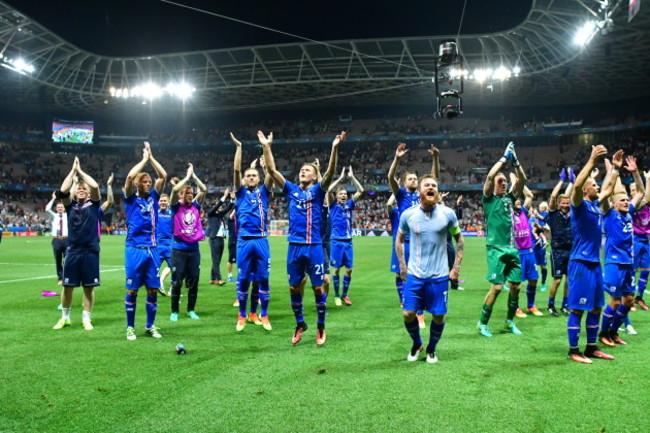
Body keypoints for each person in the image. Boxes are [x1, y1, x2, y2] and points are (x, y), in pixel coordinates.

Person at [261, 129, 344, 345]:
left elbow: (331, 172)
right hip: (294, 247)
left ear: (315, 176)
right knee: (293, 287)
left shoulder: (318, 190)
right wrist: (266, 147)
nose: (303, 172)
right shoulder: (290, 190)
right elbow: (271, 169)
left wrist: (334, 148)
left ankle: (321, 326)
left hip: (314, 246)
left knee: (318, 287)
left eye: (307, 170)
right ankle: (300, 323)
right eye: (301, 170)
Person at [396, 174, 464, 363]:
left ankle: (432, 348)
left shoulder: (447, 214)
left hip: (439, 276)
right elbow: (399, 239)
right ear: (419, 191)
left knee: (439, 316)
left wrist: (456, 267)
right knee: (408, 313)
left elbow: (459, 239)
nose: (431, 187)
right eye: (426, 185)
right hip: (415, 275)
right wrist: (402, 265)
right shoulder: (408, 214)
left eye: (434, 185)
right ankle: (417, 343)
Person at [565, 145, 620, 363]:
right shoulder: (578, 205)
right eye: (594, 185)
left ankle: (591, 347)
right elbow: (578, 184)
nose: (598, 187)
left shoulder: (595, 206)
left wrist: (615, 170)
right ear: (586, 190)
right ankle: (573, 350)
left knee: (596, 306)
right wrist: (591, 160)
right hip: (580, 263)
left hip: (595, 264)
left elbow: (608, 189)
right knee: (578, 309)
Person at [477, 142, 527, 338]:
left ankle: (509, 321)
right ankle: (482, 323)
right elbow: (490, 176)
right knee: (497, 287)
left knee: (515, 286)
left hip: (511, 249)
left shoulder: (509, 198)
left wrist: (516, 162)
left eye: (505, 181)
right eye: (501, 181)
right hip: (495, 249)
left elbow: (522, 178)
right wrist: (504, 158)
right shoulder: (489, 200)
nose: (503, 183)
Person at [388, 142, 440, 328]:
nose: (413, 181)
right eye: (409, 179)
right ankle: (407, 302)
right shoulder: (401, 195)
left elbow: (433, 178)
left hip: (420, 242)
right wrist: (397, 158)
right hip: (404, 243)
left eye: (414, 179)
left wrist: (435, 158)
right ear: (404, 183)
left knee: (420, 276)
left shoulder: (421, 195)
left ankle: (419, 312)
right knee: (401, 274)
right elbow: (390, 178)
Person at [599, 158, 649, 346]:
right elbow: (604, 195)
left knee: (628, 300)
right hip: (614, 263)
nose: (626, 201)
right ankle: (603, 333)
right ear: (613, 203)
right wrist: (614, 172)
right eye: (622, 199)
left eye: (627, 199)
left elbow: (642, 193)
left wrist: (635, 173)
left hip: (628, 263)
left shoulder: (628, 213)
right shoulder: (608, 213)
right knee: (615, 300)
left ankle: (613, 332)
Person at [123, 141, 167, 341]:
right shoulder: (131, 199)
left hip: (152, 250)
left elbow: (163, 176)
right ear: (137, 185)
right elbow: (130, 176)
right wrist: (143, 160)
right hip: (134, 249)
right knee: (132, 289)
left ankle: (150, 325)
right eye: (145, 182)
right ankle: (130, 327)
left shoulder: (154, 198)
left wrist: (152, 158)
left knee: (152, 289)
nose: (148, 184)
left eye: (150, 182)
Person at [52, 157, 102, 331]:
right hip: (73, 251)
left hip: (90, 252)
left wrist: (81, 172)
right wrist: (73, 171)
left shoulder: (94, 205)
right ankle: (65, 318)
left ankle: (86, 319)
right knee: (67, 287)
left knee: (88, 288)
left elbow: (95, 186)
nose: (81, 190)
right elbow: (63, 189)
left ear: (87, 193)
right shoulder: (69, 205)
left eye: (83, 189)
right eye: (79, 188)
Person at [231, 132, 273, 332]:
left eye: (254, 175)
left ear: (258, 177)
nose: (250, 177)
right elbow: (237, 169)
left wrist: (267, 147)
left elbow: (272, 174)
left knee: (262, 278)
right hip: (244, 241)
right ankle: (242, 316)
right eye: (248, 175)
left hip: (261, 240)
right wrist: (239, 147)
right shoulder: (239, 192)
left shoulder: (264, 192)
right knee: (244, 279)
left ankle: (261, 315)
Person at [169, 164, 207, 321]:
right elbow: (173, 191)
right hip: (178, 250)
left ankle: (191, 310)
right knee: (177, 281)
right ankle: (174, 311)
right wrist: (185, 178)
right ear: (181, 195)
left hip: (193, 250)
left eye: (192, 193)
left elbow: (203, 190)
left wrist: (193, 176)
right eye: (187, 193)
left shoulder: (196, 207)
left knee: (194, 281)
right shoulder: (175, 207)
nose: (191, 195)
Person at [328, 166, 364, 306]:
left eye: (345, 194)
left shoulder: (349, 205)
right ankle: (336, 295)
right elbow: (329, 189)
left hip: (348, 242)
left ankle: (345, 295)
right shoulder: (332, 206)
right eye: (341, 194)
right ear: (336, 196)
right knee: (336, 269)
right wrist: (340, 178)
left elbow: (361, 191)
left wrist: (352, 177)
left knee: (349, 269)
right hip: (336, 241)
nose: (344, 195)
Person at [510, 178, 543, 318]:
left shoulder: (523, 212)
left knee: (534, 279)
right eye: (515, 199)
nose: (518, 200)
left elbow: (529, 196)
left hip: (529, 251)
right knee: (516, 283)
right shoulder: (508, 213)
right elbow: (509, 196)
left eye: (519, 199)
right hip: (517, 253)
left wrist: (520, 182)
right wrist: (514, 183)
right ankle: (516, 307)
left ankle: (530, 305)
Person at [546, 168, 575, 317]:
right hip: (557, 252)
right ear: (558, 204)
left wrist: (572, 182)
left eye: (567, 203)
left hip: (571, 250)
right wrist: (562, 181)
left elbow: (570, 196)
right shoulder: (553, 214)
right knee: (557, 280)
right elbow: (552, 197)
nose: (565, 205)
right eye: (563, 203)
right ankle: (551, 305)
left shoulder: (571, 214)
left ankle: (565, 305)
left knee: (569, 280)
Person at [205, 189, 234, 286]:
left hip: (221, 238)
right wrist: (224, 196)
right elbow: (217, 206)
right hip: (214, 239)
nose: (221, 208)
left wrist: (232, 200)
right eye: (218, 206)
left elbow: (228, 208)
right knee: (216, 260)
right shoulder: (210, 213)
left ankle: (212, 279)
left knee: (217, 259)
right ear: (214, 207)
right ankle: (219, 279)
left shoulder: (220, 215)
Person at [631, 174, 650, 312]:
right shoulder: (633, 206)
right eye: (632, 190)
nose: (635, 191)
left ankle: (639, 298)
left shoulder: (647, 205)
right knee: (632, 271)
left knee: (645, 272)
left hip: (646, 241)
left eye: (636, 189)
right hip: (635, 241)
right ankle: (629, 299)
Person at [46, 191, 68, 285]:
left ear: (64, 208)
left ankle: (68, 276)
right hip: (56, 240)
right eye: (58, 207)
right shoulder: (53, 216)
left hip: (67, 239)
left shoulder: (68, 215)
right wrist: (53, 199)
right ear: (56, 208)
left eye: (61, 207)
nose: (60, 208)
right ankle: (60, 277)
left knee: (68, 259)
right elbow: (47, 209)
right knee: (58, 259)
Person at [156, 193, 173, 295]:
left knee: (174, 268)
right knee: (154, 269)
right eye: (161, 201)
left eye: (164, 201)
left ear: (168, 202)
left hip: (170, 245)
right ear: (158, 202)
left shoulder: (172, 213)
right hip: (158, 246)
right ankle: (160, 285)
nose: (162, 202)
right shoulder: (155, 213)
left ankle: (172, 289)